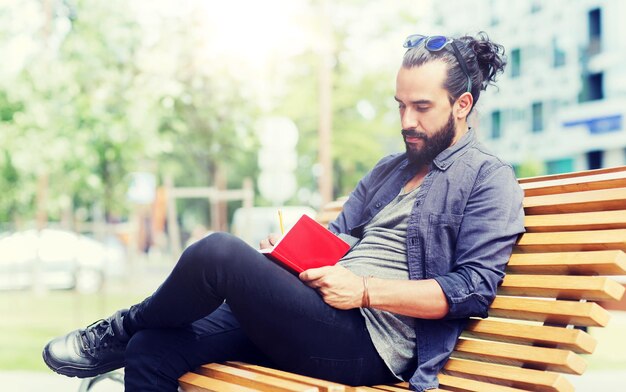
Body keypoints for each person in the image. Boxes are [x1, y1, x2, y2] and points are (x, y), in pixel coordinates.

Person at [42, 32, 525, 392]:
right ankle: (129, 334)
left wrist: (363, 291)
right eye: (399, 106)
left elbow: (473, 289)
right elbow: (335, 235)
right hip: (312, 317)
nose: (406, 122)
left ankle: (114, 330)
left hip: (368, 344)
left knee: (219, 254)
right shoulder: (390, 169)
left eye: (421, 107)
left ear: (463, 104)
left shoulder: (488, 179)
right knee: (152, 350)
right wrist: (291, 257)